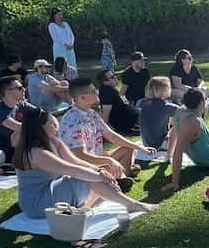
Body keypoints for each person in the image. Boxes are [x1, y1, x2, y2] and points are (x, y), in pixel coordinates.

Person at [11, 104, 156, 219]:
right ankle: (132, 205)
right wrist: (100, 176)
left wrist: (100, 170)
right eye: (52, 124)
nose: (57, 127)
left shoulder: (54, 141)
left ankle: (82, 208)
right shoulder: (36, 153)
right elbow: (71, 169)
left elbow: (76, 162)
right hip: (37, 201)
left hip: (53, 188)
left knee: (96, 173)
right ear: (40, 128)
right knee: (89, 178)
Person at [57, 79, 152, 188]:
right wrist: (108, 160)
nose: (97, 92)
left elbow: (111, 135)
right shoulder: (72, 121)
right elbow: (79, 156)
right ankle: (120, 177)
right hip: (82, 166)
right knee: (105, 167)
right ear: (82, 97)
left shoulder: (91, 113)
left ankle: (120, 177)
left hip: (96, 158)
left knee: (129, 148)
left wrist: (139, 147)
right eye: (93, 91)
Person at [0, 75, 26, 163]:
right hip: (4, 158)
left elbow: (44, 115)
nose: (24, 89)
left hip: (19, 151)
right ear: (8, 92)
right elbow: (21, 127)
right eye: (19, 88)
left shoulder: (20, 104)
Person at [138, 76, 181, 151]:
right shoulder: (166, 106)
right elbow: (184, 112)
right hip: (161, 144)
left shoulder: (142, 103)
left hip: (146, 143)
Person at [97, 68, 140, 134]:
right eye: (112, 77)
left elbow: (102, 110)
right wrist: (103, 133)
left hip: (134, 118)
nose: (115, 77)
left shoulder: (109, 90)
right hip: (132, 124)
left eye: (115, 75)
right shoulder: (106, 92)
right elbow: (105, 112)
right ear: (105, 82)